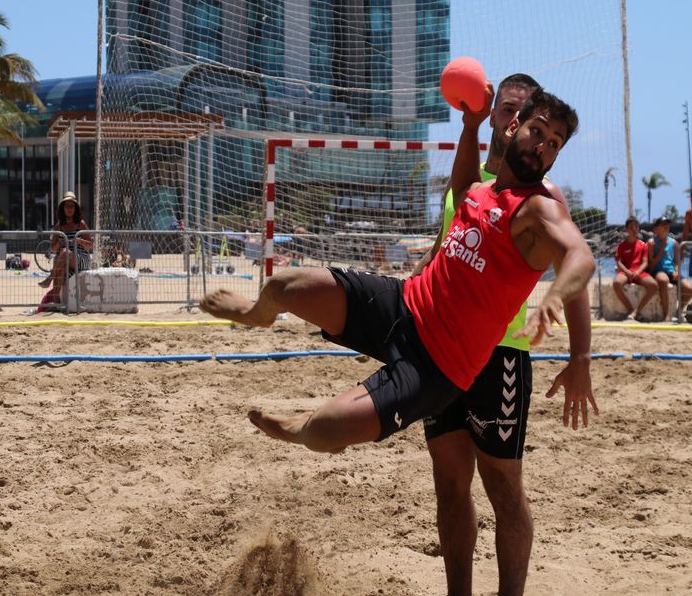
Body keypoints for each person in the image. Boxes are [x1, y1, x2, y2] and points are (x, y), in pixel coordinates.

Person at [199, 89, 597, 591]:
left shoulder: (539, 208)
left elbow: (580, 256)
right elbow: (464, 185)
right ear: (513, 124)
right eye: (537, 130)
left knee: (332, 434)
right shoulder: (481, 190)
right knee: (287, 286)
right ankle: (257, 315)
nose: (542, 145)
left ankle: (305, 428)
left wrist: (559, 307)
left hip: (447, 364)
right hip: (406, 305)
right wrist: (470, 128)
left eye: (554, 141)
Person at [412, 73, 594, 596]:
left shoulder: (542, 195)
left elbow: (575, 276)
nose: (516, 120)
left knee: (504, 489)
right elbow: (446, 245)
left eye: (526, 114)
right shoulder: (472, 184)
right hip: (444, 349)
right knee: (449, 485)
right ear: (499, 119)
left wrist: (580, 357)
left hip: (500, 357)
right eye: (507, 109)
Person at [38, 191, 92, 300]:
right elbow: (52, 249)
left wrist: (80, 241)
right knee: (62, 266)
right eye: (67, 206)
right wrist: (58, 244)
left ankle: (50, 278)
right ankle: (56, 300)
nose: (69, 208)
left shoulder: (80, 223)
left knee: (64, 253)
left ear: (75, 208)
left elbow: (91, 245)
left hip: (80, 258)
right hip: (64, 260)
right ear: (63, 208)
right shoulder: (59, 226)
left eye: (71, 206)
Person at [612, 216, 657, 320]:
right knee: (616, 283)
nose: (635, 229)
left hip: (639, 272)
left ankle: (637, 311)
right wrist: (627, 272)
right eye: (632, 227)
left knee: (653, 285)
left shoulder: (643, 245)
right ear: (627, 229)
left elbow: (645, 262)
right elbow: (618, 262)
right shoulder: (621, 245)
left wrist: (638, 272)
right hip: (626, 272)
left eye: (636, 227)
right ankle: (631, 310)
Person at [647, 216, 692, 321]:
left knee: (689, 289)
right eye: (663, 224)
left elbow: (676, 262)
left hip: (671, 271)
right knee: (663, 280)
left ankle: (677, 312)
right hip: (658, 270)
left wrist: (676, 272)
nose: (666, 226)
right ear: (656, 228)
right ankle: (666, 314)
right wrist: (662, 249)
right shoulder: (651, 243)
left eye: (667, 224)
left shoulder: (674, 243)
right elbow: (651, 265)